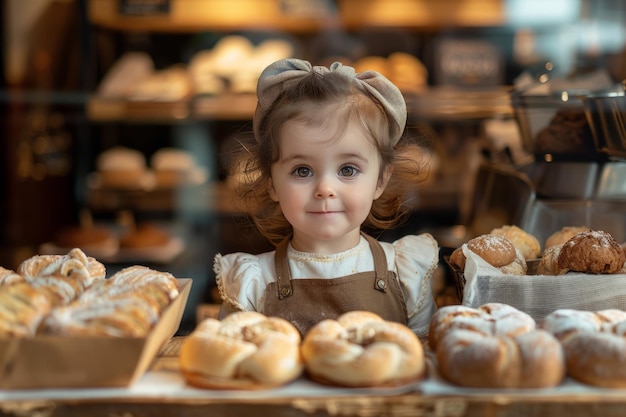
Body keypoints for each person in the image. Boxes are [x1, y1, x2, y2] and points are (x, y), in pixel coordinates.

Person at [214, 58, 439, 337]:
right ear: (271, 183)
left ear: (381, 180)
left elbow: (421, 361)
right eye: (302, 170)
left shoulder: (406, 274)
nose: (325, 188)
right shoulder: (253, 283)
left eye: (347, 169)